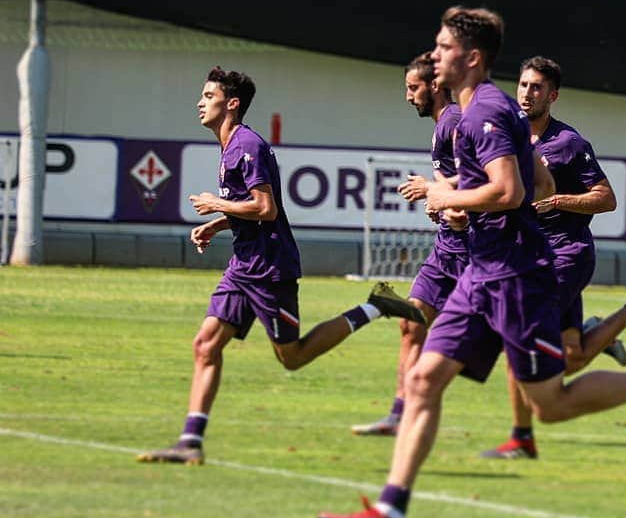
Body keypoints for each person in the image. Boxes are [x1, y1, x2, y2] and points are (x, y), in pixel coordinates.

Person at [315, 6, 626, 518]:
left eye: (443, 48)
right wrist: (472, 209)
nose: (434, 56)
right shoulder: (485, 112)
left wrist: (449, 195)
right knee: (424, 379)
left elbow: (512, 191)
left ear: (471, 58)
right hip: (483, 268)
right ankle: (390, 512)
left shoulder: (485, 113)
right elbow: (536, 180)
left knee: (551, 403)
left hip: (517, 273)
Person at [137, 67, 424, 465]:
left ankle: (376, 305)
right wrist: (217, 224)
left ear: (231, 104)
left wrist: (216, 205)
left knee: (293, 356)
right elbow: (252, 209)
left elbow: (266, 208)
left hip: (270, 267)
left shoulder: (246, 146)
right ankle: (190, 442)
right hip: (244, 264)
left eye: (208, 95)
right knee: (205, 344)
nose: (200, 103)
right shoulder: (231, 145)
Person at [482, 55, 626, 460]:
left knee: (518, 341)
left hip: (564, 256)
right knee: (569, 356)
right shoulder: (508, 138)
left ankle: (522, 437)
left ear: (552, 96)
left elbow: (606, 198)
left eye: (537, 87)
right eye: (523, 85)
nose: (527, 93)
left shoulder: (568, 143)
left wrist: (557, 200)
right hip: (532, 257)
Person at [353, 52, 469, 438]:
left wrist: (433, 190)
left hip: (474, 252)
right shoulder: (440, 126)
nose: (408, 96)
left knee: (507, 338)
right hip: (447, 247)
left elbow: (484, 178)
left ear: (435, 86)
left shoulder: (454, 122)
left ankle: (581, 339)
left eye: (413, 88)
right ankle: (399, 415)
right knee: (410, 324)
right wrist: (439, 204)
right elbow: (454, 189)